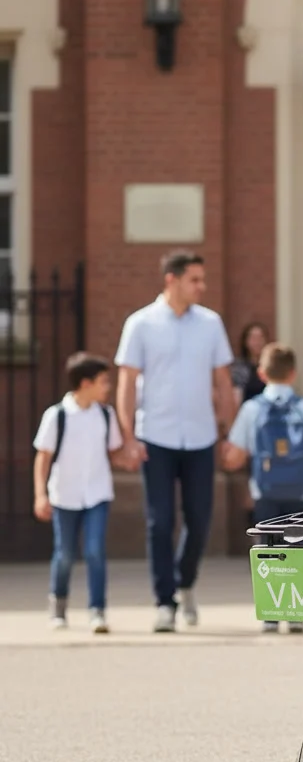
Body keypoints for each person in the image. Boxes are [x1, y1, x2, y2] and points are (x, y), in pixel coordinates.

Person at [115, 249, 236, 633]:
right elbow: (126, 383)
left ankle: (185, 583)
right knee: (160, 522)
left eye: (202, 279)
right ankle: (165, 602)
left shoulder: (211, 323)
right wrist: (128, 437)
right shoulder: (140, 323)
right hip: (156, 437)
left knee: (199, 521)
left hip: (201, 437)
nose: (202, 286)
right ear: (172, 280)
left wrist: (229, 435)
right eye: (194, 280)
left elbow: (223, 382)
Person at [222, 342, 303, 634]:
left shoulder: (252, 408)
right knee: (298, 549)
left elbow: (236, 454)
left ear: (261, 373)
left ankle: (271, 614)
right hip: (299, 492)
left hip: (265, 491)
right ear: (293, 373)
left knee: (267, 550)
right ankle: (296, 614)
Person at [32, 353, 124, 634]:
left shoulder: (106, 415)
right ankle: (58, 605)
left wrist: (133, 457)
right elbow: (43, 457)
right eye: (103, 381)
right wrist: (40, 495)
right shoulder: (57, 415)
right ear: (85, 383)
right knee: (65, 553)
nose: (107, 387)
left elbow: (114, 452)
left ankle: (97, 610)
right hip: (65, 495)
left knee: (95, 551)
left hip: (97, 494)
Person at [230, 321, 270, 406]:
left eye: (260, 338)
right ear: (245, 341)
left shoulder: (272, 366)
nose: (257, 342)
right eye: (253, 338)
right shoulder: (239, 368)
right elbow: (236, 395)